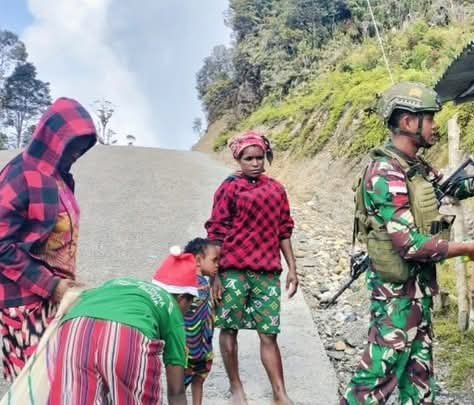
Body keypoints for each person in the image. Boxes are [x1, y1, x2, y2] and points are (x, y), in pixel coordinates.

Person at [341, 82, 474, 405]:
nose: (435, 125)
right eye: (430, 118)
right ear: (409, 123)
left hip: (418, 298)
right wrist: (468, 249)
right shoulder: (385, 173)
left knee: (420, 387)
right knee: (370, 390)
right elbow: (410, 245)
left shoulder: (417, 168)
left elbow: (460, 187)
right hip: (395, 302)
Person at [0, 97, 96, 382]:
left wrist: (60, 287)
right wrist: (51, 285)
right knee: (34, 386)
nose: (78, 152)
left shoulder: (59, 178)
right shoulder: (20, 175)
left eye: (83, 146)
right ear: (53, 138)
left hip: (56, 297)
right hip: (24, 302)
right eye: (73, 144)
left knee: (60, 382)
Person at [205, 130, 298, 405]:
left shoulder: (276, 189)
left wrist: (292, 267)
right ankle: (236, 387)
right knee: (229, 328)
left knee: (269, 333)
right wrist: (215, 276)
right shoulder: (229, 188)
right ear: (239, 159)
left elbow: (284, 230)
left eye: (259, 157)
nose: (255, 163)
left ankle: (279, 393)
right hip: (233, 271)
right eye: (249, 158)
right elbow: (217, 231)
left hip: (267, 271)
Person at [46, 248, 200, 405]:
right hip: (125, 337)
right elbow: (176, 392)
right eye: (190, 306)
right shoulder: (172, 308)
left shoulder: (120, 284)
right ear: (182, 299)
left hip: (76, 329)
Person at [181, 238, 221, 405]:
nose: (217, 265)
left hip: (203, 346)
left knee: (199, 380)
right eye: (214, 260)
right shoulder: (185, 285)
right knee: (181, 385)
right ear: (198, 260)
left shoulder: (206, 284)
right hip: (186, 347)